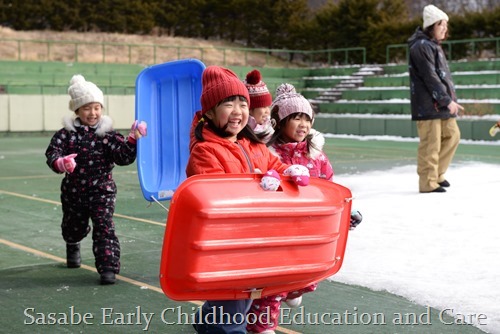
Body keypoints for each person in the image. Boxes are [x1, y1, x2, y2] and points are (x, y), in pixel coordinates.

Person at [186, 66, 309, 334]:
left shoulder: (253, 145)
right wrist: (255, 184)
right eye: (228, 103)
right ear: (209, 112)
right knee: (234, 306)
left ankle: (206, 320)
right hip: (224, 243)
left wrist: (289, 171)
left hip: (252, 237)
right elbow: (213, 195)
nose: (238, 110)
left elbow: (274, 164)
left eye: (242, 103)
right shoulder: (205, 150)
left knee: (243, 295)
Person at [246, 83, 362, 334]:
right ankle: (262, 326)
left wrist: (345, 212)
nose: (303, 125)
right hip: (277, 230)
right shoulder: (269, 152)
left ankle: (293, 289)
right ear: (280, 122)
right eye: (295, 118)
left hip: (307, 230)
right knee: (273, 282)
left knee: (306, 275)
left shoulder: (316, 155)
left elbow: (329, 186)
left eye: (307, 119)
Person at [45, 74, 147, 285]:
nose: (93, 113)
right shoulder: (65, 135)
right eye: (87, 108)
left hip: (102, 190)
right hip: (74, 192)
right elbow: (52, 153)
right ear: (77, 110)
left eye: (97, 107)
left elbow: (122, 156)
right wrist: (61, 162)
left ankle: (108, 267)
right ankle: (72, 243)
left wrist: (132, 139)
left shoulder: (107, 134)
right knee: (74, 226)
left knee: (104, 226)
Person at [408, 4, 464, 193]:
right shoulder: (420, 46)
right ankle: (427, 183)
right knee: (431, 145)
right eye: (442, 25)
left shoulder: (433, 46)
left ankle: (437, 174)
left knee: (453, 135)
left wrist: (449, 99)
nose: (445, 30)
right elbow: (430, 77)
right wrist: (447, 101)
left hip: (440, 104)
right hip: (428, 105)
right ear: (432, 25)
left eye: (446, 26)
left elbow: (442, 76)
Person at [243, 69, 274, 142]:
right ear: (249, 109)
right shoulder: (240, 131)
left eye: (268, 106)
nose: (267, 111)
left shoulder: (269, 128)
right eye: (263, 107)